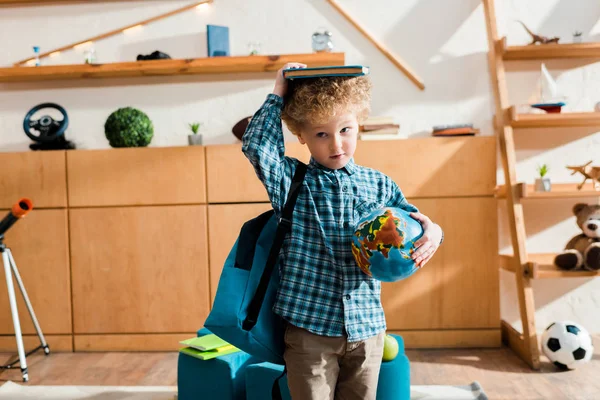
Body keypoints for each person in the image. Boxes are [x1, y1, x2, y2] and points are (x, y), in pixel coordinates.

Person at [241, 62, 443, 400]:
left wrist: (434, 231)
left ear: (358, 125)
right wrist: (278, 92)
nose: (337, 144)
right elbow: (258, 147)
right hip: (309, 331)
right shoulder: (291, 181)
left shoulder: (379, 185)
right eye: (322, 134)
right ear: (301, 135)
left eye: (346, 130)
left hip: (367, 330)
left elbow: (415, 224)